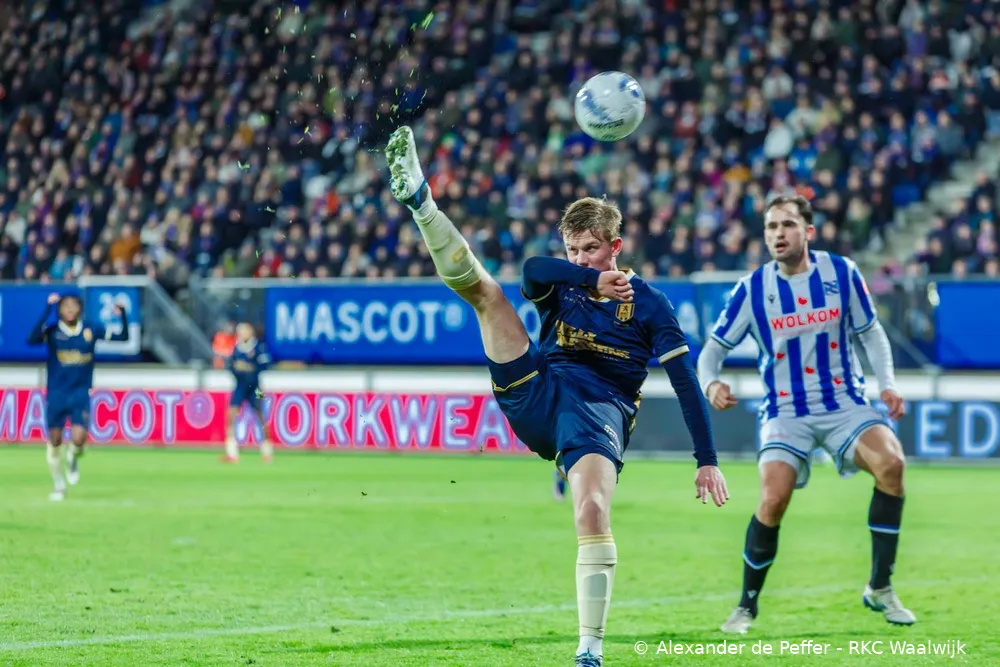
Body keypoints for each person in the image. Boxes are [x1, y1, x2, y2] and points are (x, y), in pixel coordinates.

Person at [386, 126, 728, 667]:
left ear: (615, 247)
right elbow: (530, 271)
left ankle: (589, 647)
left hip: (599, 411)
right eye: (573, 249)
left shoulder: (651, 305)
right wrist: (588, 280)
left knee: (591, 511)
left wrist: (706, 459)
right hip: (538, 390)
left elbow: (685, 383)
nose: (581, 258)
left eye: (591, 250)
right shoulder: (565, 280)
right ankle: (421, 202)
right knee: (486, 294)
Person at [697, 194, 915, 633]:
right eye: (771, 226)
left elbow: (871, 333)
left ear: (808, 232)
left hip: (844, 403)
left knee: (892, 464)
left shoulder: (842, 273)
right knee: (773, 498)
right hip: (785, 410)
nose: (778, 234)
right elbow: (711, 352)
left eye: (788, 225)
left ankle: (880, 587)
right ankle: (746, 606)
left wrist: (887, 384)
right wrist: (711, 384)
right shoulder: (752, 289)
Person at [27, 290, 129, 501]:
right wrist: (47, 309)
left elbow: (123, 337)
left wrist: (123, 316)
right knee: (55, 440)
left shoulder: (91, 329)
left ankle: (73, 456)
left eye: (74, 306)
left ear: (80, 309)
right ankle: (58, 485)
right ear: (59, 310)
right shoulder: (53, 331)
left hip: (80, 392)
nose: (70, 310)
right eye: (65, 306)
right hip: (57, 393)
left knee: (79, 439)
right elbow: (32, 339)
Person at [222, 322, 273, 463]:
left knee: (261, 415)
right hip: (240, 386)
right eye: (240, 331)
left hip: (256, 387)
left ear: (251, 332)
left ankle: (267, 450)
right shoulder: (236, 348)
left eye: (245, 331)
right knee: (231, 415)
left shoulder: (259, 347)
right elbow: (230, 367)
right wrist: (238, 370)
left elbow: (265, 366)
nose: (242, 334)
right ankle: (231, 453)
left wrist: (249, 368)